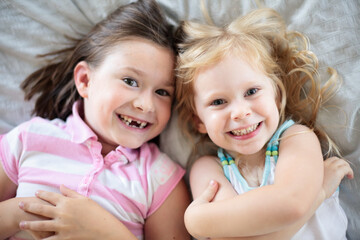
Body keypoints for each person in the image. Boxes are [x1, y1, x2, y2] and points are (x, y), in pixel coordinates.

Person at [0, 0, 191, 239]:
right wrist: (19, 215)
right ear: (85, 81)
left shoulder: (161, 177)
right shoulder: (29, 138)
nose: (146, 104)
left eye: (162, 92)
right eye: (130, 81)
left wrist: (107, 232)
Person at [175, 8, 353, 240]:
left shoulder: (295, 139)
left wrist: (197, 221)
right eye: (218, 102)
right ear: (198, 121)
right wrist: (319, 192)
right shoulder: (208, 168)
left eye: (251, 91)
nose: (240, 112)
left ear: (276, 96)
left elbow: (292, 204)